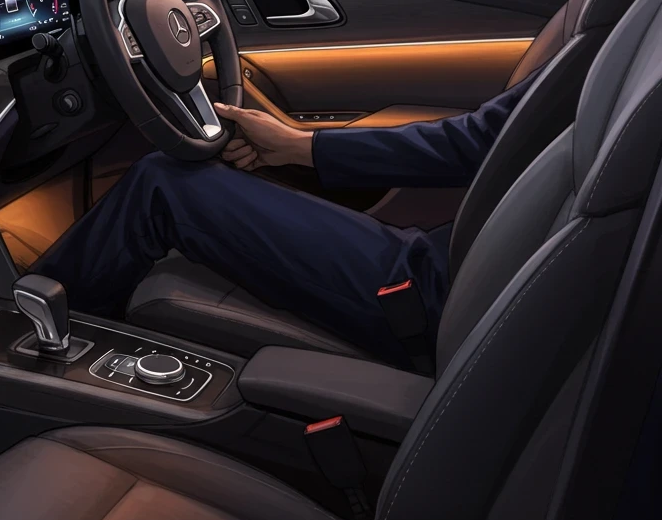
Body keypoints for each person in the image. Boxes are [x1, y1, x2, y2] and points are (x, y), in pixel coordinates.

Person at [35, 70, 539, 369]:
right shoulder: (614, 43)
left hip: (438, 294)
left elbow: (475, 142)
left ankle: (28, 341)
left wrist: (300, 148)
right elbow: (485, 140)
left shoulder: (611, 42)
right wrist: (298, 146)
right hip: (467, 269)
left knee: (163, 184)